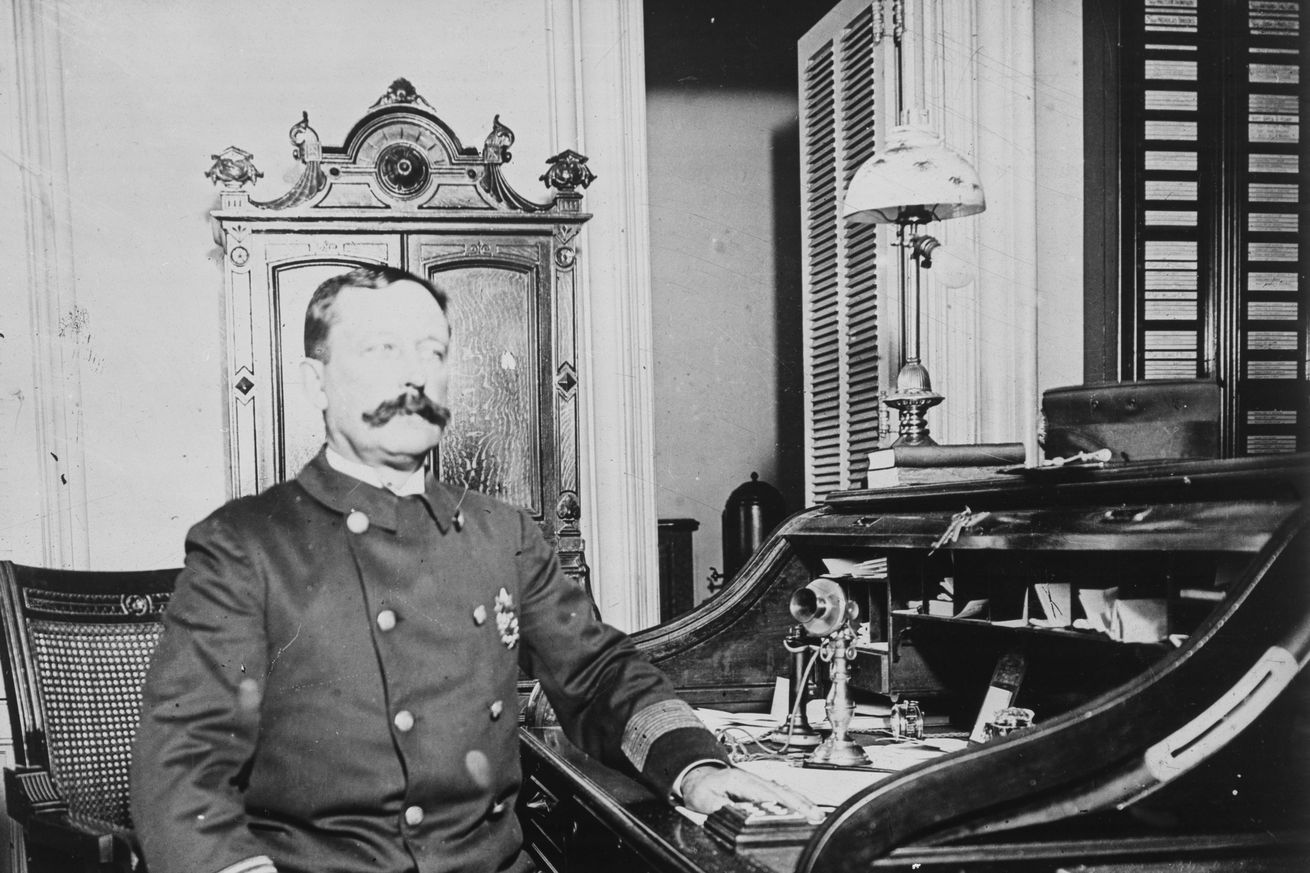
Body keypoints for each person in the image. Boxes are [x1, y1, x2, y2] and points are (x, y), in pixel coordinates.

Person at [130, 265, 819, 873]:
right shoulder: (246, 544)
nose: (413, 376)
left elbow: (598, 672)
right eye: (381, 351)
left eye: (432, 353)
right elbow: (181, 765)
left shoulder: (502, 531)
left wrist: (696, 769)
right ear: (316, 380)